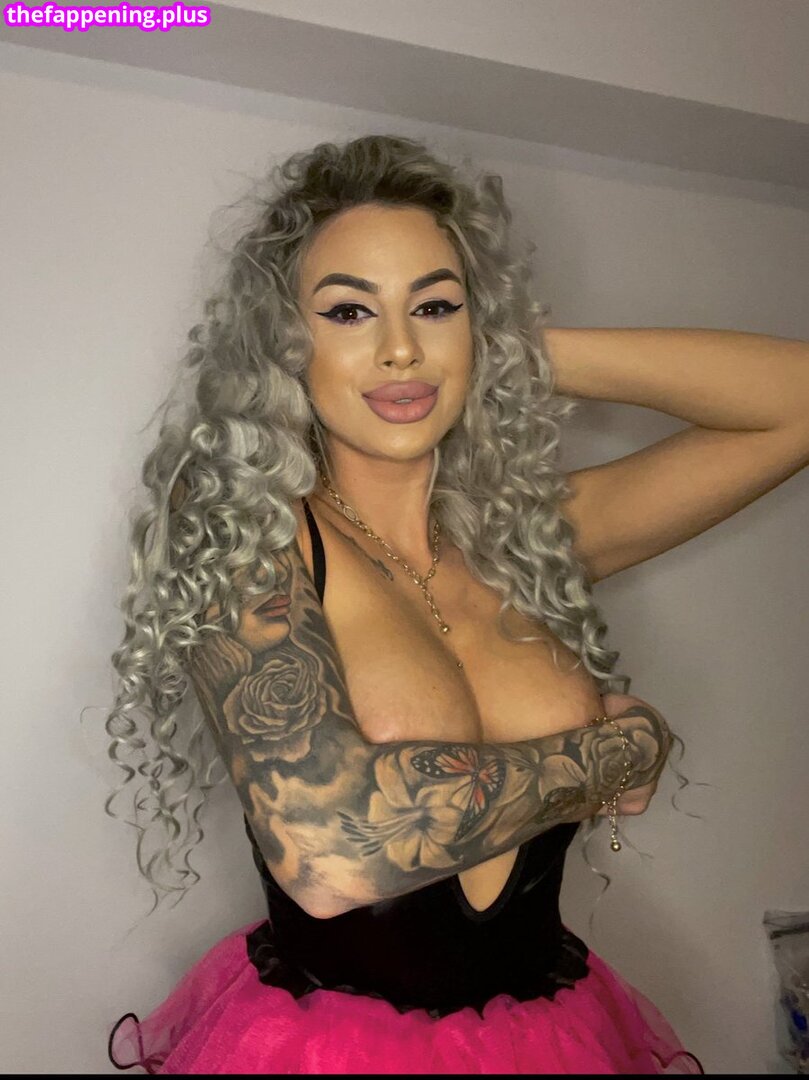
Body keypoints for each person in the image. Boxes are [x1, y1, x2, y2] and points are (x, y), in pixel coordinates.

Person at [104, 134, 809, 1074]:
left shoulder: (527, 538)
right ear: (283, 343)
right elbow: (329, 851)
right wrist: (618, 752)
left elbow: (794, 403)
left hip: (552, 1037)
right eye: (348, 311)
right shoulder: (249, 530)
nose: (400, 348)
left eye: (434, 305)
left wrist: (504, 344)